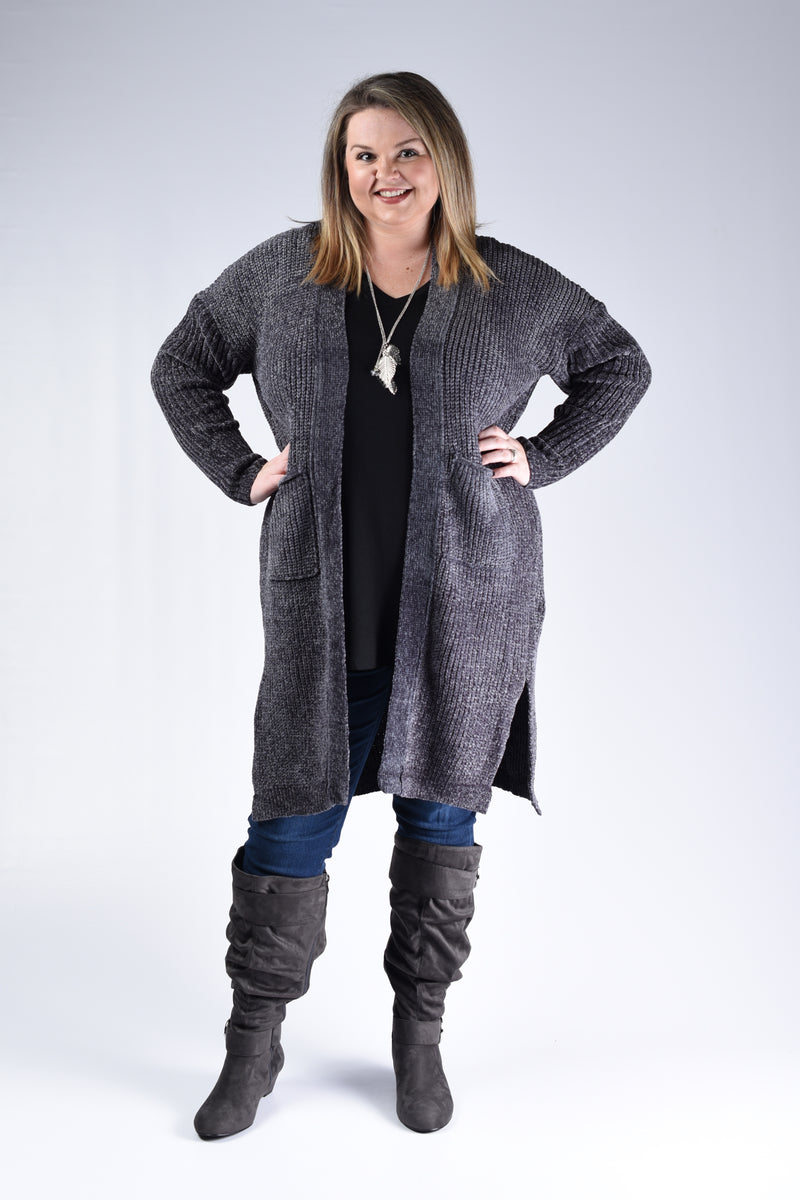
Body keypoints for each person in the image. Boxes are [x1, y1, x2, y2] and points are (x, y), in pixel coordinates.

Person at [150, 71, 652, 1140]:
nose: (385, 174)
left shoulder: (508, 285)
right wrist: (241, 470)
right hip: (321, 607)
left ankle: (418, 1036)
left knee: (439, 822)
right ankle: (253, 1040)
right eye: (364, 155)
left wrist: (543, 454)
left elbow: (618, 365)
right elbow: (182, 364)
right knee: (289, 822)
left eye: (407, 151)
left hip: (463, 605)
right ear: (341, 169)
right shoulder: (285, 275)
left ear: (445, 161)